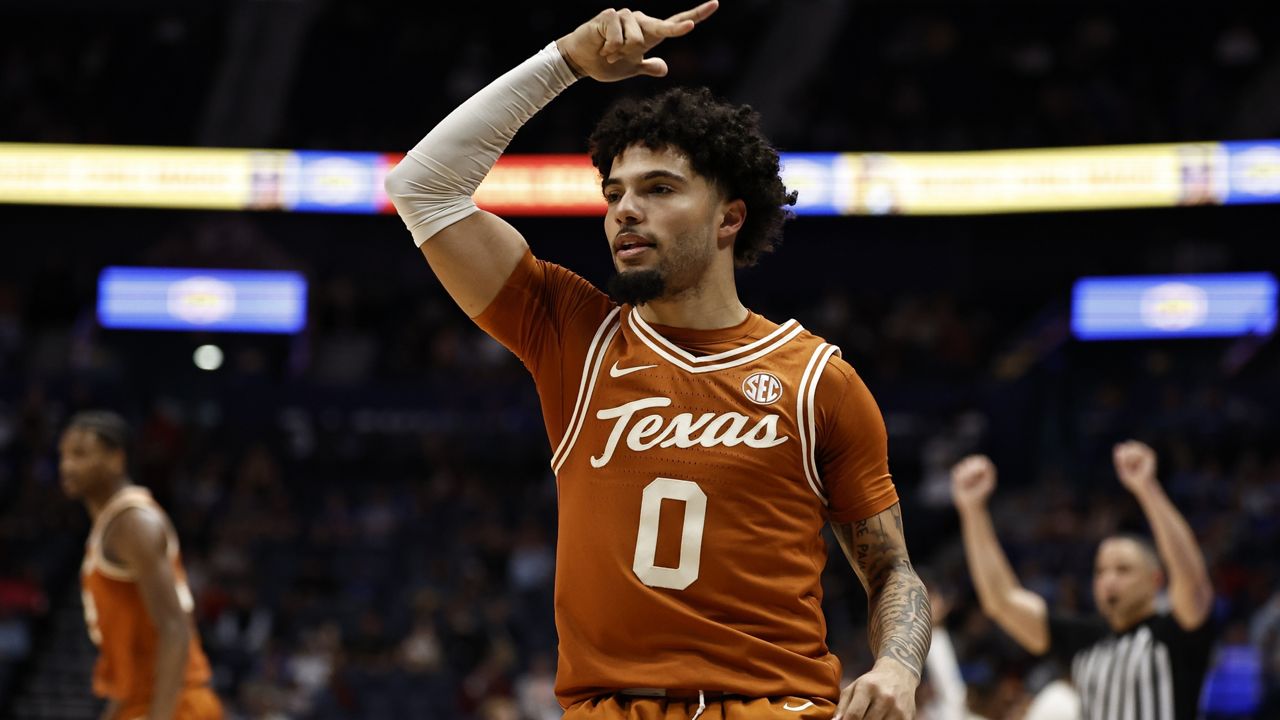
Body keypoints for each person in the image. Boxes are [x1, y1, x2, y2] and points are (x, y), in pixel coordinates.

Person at [384, 3, 931, 718]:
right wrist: (565, 62)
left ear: (729, 217)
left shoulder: (818, 381)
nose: (624, 210)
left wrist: (897, 665)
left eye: (659, 189)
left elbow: (892, 570)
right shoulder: (574, 335)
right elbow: (422, 187)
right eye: (614, 193)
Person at [949, 440, 1214, 719]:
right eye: (1100, 571)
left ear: (1156, 580)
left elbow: (1193, 581)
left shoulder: (1174, 633)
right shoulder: (1085, 639)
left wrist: (1148, 489)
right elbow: (1002, 601)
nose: (1108, 580)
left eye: (1123, 570)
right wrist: (973, 511)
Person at [58, 411, 222, 720]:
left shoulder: (133, 523)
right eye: (64, 455)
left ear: (116, 460)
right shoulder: (112, 525)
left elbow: (175, 628)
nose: (67, 465)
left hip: (177, 704)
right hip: (142, 701)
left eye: (80, 454)